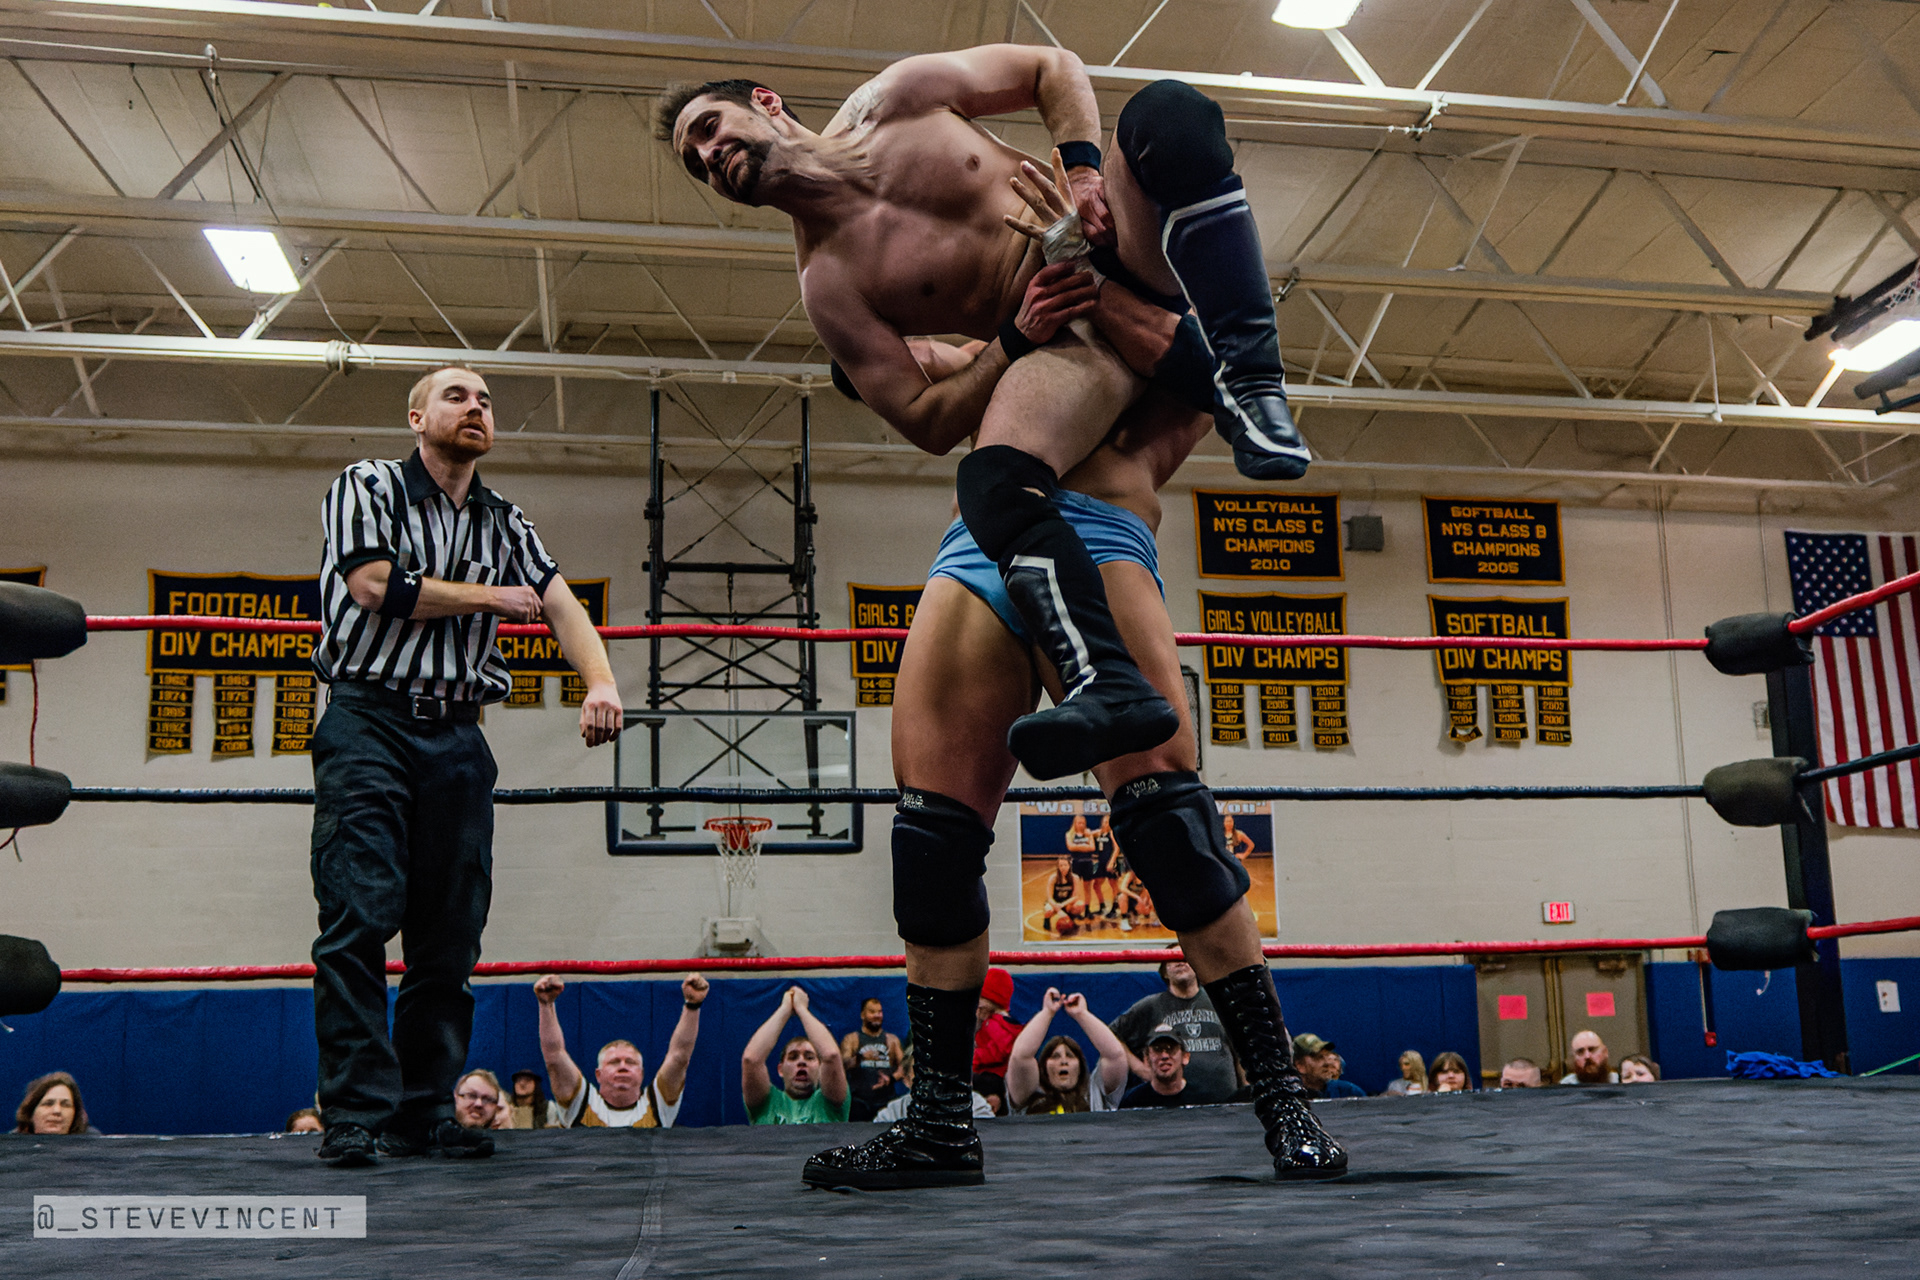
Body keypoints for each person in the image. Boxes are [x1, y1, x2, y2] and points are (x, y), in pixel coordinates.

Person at [792, 301, 1343, 1186]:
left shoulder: (1167, 324)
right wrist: (974, 341)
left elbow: (1213, 375)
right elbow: (898, 374)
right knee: (931, 844)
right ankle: (938, 1126)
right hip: (976, 554)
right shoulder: (1013, 339)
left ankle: (1284, 1101)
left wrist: (1082, 307)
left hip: (1100, 537)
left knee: (1172, 830)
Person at [661, 47, 1310, 786]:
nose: (709, 156)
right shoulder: (829, 283)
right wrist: (1014, 339)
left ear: (766, 101)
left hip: (1106, 243)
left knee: (1168, 113)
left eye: (709, 128)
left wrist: (1082, 177)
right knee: (992, 479)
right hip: (1063, 337)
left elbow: (1052, 68)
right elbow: (926, 420)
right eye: (696, 164)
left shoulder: (897, 99)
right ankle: (1104, 680)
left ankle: (1254, 387)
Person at [307, 365, 622, 1168]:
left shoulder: (503, 519)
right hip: (369, 721)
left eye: (485, 400)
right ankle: (353, 1114)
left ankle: (421, 1111)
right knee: (359, 915)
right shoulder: (367, 485)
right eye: (456, 396)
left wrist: (602, 682)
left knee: (449, 934)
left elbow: (559, 602)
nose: (476, 407)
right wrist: (490, 599)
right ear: (416, 417)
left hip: (455, 734)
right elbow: (373, 585)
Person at [537, 973, 707, 1129]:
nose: (623, 1066)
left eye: (630, 1062)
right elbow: (554, 1056)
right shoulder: (580, 1102)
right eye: (614, 1062)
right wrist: (546, 1004)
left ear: (641, 1073)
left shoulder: (659, 1104)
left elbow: (679, 1057)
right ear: (598, 1074)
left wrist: (693, 1005)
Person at [1109, 956, 1239, 1105]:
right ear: (1164, 972)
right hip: (1175, 1104)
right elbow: (1111, 1034)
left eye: (1185, 957)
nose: (1180, 962)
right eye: (1172, 959)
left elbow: (1240, 1046)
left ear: (1197, 966)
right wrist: (1140, 1069)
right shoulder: (1151, 1006)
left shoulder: (1221, 1001)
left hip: (1225, 1100)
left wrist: (1248, 1086)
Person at [1006, 988, 1131, 1114]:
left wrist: (1082, 1014)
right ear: (1043, 1067)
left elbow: (1115, 1055)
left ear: (1080, 1067)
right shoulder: (1028, 1097)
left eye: (1070, 1056)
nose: (1063, 1061)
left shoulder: (1096, 1096)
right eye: (1055, 1056)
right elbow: (1020, 1056)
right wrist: (1047, 1012)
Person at [742, 986, 850, 1125]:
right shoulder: (767, 1103)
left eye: (809, 1057)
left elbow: (831, 1055)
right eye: (793, 1057)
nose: (801, 1062)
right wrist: (784, 1009)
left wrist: (802, 1009)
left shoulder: (829, 1103)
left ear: (820, 1068)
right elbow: (751, 1060)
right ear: (780, 1069)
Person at [874, 1049, 996, 1124]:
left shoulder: (974, 1104)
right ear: (906, 1080)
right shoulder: (894, 1112)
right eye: (922, 1072)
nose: (932, 1079)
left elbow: (987, 1138)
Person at [841, 997, 906, 1121]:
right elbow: (843, 1065)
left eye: (879, 1012)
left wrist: (890, 1079)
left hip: (885, 1101)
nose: (877, 1015)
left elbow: (905, 1067)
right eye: (872, 1012)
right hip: (859, 1102)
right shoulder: (852, 1039)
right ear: (862, 1015)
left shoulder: (892, 1040)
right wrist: (860, 1057)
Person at [972, 965, 1024, 1113]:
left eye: (980, 998)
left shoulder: (996, 1023)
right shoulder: (988, 1022)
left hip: (993, 1079)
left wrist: (972, 1058)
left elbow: (999, 1050)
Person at [1119, 1025, 1197, 1109]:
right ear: (1147, 1059)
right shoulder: (1132, 1102)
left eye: (1170, 1048)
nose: (1164, 1056)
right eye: (1157, 1049)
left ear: (1185, 1057)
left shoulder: (1201, 1099)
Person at [1293, 1034, 1366, 1100]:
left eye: (1326, 1055)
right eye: (1318, 1057)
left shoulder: (1350, 1093)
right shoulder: (1291, 1098)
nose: (1327, 1063)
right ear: (1300, 1065)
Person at [14, 1072, 89, 1135]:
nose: (57, 1111)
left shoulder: (93, 1145)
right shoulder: (10, 1145)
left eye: (65, 1105)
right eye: (48, 1104)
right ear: (30, 1112)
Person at [1039, 853, 1084, 935]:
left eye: (1065, 865)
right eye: (1061, 865)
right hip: (1054, 902)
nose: (1063, 867)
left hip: (1067, 902)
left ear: (1069, 866)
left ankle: (1071, 917)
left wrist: (1063, 905)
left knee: (1080, 905)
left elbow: (1075, 896)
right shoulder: (1053, 878)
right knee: (1049, 910)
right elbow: (1049, 898)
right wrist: (1058, 910)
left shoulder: (1075, 878)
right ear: (1058, 867)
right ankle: (1047, 919)